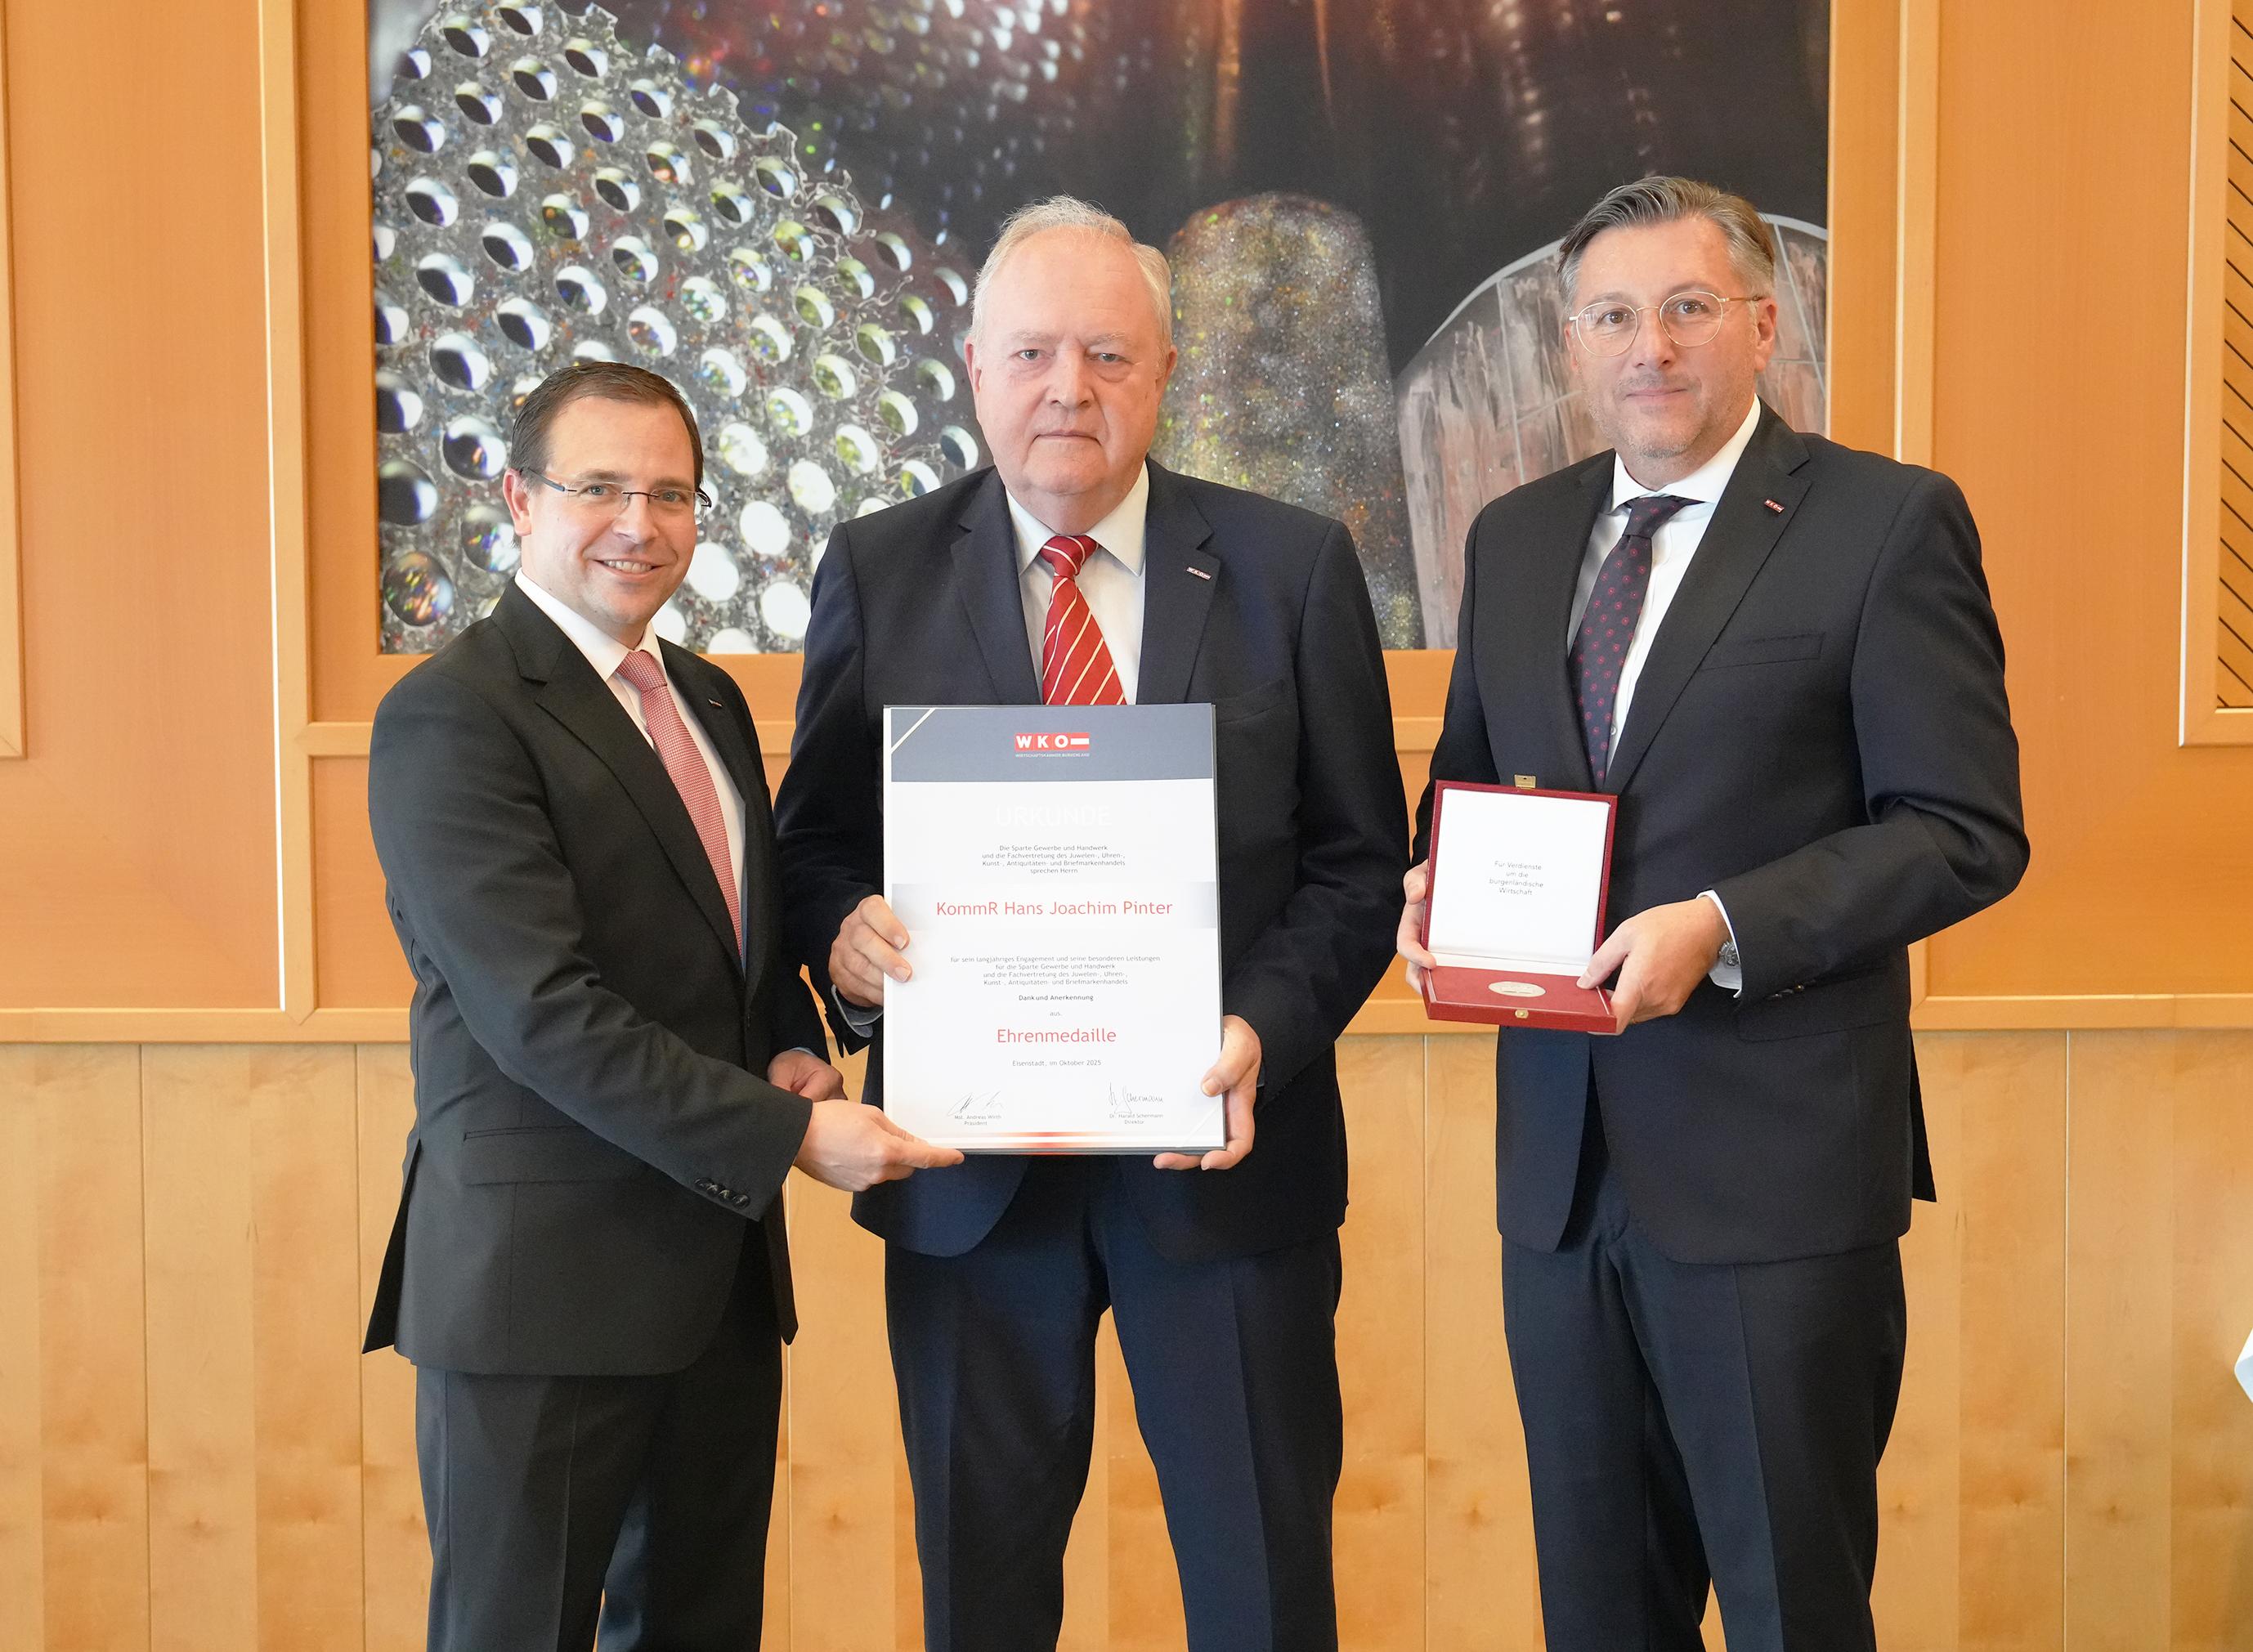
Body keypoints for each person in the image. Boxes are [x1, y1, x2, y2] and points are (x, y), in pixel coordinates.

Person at [1398, 177, 2028, 1650]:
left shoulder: (1884, 523)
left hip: (1776, 1183)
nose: (1652, 347)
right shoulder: (1516, 537)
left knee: (1791, 1609)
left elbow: (1963, 831)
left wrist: (1724, 926)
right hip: (1561, 1182)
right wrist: (1437, 887)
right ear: (1569, 344)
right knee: (1596, 1616)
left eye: (1688, 308)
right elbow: (1473, 782)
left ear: (1761, 323)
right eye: (1614, 316)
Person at [775, 197, 1408, 1651]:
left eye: (1109, 353)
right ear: (974, 368)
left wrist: (1260, 1030)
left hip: (1224, 1174)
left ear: (1168, 368)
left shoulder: (1292, 566)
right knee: (982, 1603)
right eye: (1034, 352)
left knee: (1262, 1596)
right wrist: (848, 945)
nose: (1070, 387)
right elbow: (813, 844)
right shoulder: (877, 567)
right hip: (967, 1189)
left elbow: (1360, 864)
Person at [364, 360, 958, 1652]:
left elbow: (733, 946)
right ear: (519, 499)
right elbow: (542, 1011)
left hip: (715, 1285)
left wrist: (794, 1042)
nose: (639, 524)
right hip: (542, 1296)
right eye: (601, 488)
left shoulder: (706, 698)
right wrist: (791, 1134)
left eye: (671, 494)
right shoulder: (451, 715)